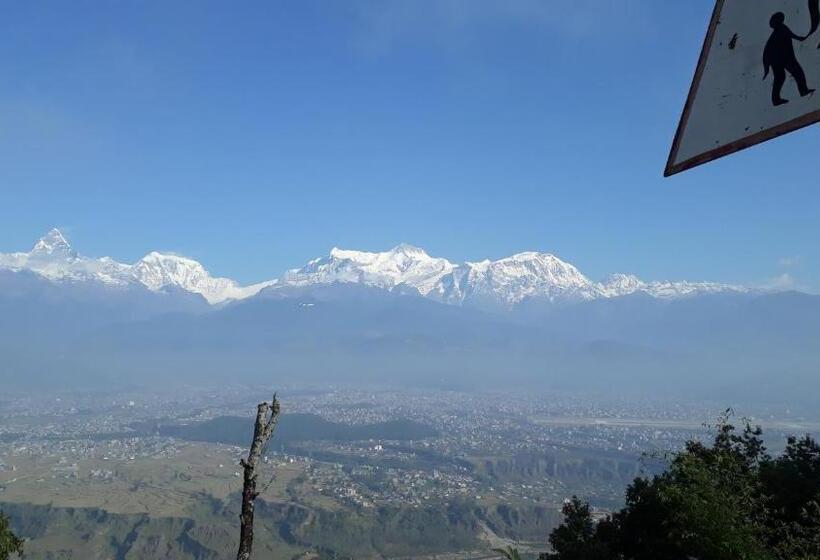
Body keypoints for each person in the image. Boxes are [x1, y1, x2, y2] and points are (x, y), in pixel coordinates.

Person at [763, 12, 815, 106]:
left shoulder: (781, 29)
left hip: (783, 59)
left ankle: (802, 91)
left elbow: (792, 36)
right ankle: (777, 99)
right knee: (789, 75)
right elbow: (767, 51)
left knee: (790, 75)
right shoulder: (780, 30)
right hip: (782, 59)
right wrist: (766, 66)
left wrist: (802, 38)